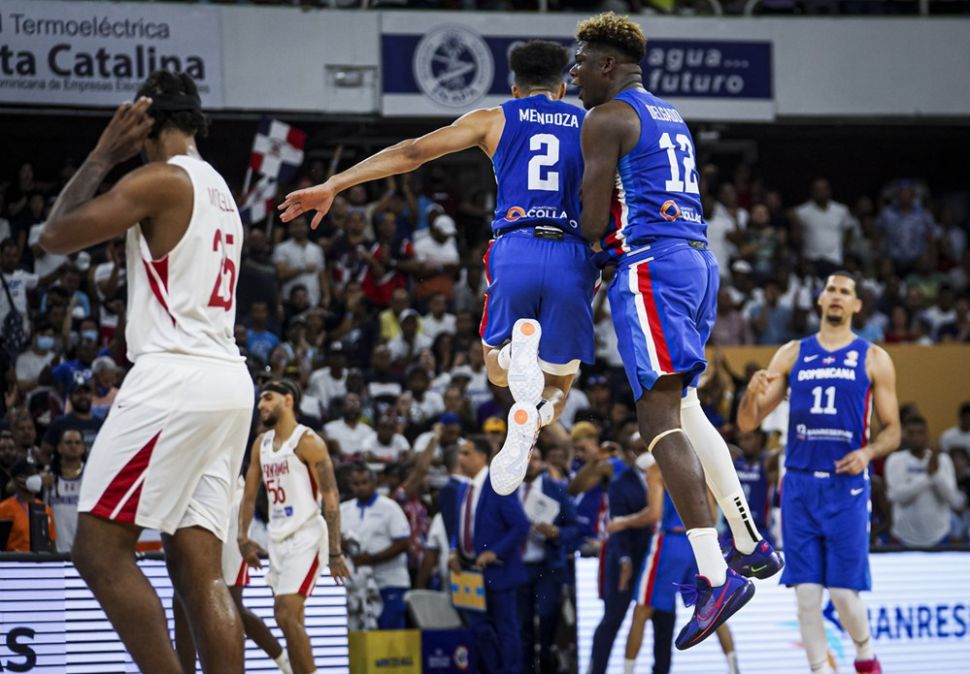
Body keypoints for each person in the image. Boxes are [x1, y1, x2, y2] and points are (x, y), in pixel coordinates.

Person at [279, 40, 599, 496]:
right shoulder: (590, 124)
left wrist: (335, 183)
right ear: (563, 88)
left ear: (515, 89)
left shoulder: (494, 118)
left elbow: (413, 152)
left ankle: (514, 357)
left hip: (517, 246)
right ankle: (536, 418)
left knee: (495, 371)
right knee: (562, 381)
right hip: (571, 252)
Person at [571, 12, 778, 648]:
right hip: (695, 262)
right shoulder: (669, 114)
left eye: (582, 62)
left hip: (654, 266)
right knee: (685, 407)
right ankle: (748, 541)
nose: (574, 73)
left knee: (656, 417)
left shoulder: (606, 118)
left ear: (609, 65)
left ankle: (715, 576)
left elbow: (592, 221)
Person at [39, 70, 254, 673]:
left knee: (98, 551)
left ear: (147, 123)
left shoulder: (162, 179)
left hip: (175, 379)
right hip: (228, 381)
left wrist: (103, 154)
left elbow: (55, 236)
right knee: (199, 569)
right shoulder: (220, 189)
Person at [738, 271, 902, 674]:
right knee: (807, 596)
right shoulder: (792, 353)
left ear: (856, 305)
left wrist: (868, 451)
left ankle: (865, 656)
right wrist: (749, 394)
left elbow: (893, 430)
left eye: (845, 292)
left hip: (846, 487)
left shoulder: (874, 357)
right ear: (820, 299)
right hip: (799, 484)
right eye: (831, 289)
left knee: (843, 594)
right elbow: (747, 423)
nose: (837, 296)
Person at [238, 380, 350, 674]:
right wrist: (242, 538)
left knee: (285, 614)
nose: (261, 405)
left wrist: (335, 551)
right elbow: (249, 496)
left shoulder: (308, 442)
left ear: (288, 400)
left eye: (268, 398)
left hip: (306, 536)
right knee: (292, 622)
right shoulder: (261, 444)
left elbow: (331, 498)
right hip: (277, 538)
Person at [613, 463, 739, 674]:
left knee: (641, 611)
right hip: (699, 545)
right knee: (713, 611)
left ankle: (627, 671)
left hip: (670, 543)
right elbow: (712, 517)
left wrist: (622, 522)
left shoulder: (657, 468)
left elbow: (653, 514)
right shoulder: (700, 466)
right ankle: (734, 668)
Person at [174, 474, 293, 674]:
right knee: (181, 600)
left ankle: (287, 664)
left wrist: (243, 535)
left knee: (231, 602)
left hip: (225, 500)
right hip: (190, 498)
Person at [449, 438, 530, 674]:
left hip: (499, 570)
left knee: (506, 630)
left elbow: (521, 525)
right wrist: (453, 550)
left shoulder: (499, 484)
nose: (460, 458)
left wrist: (495, 551)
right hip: (470, 572)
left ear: (482, 457)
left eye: (466, 453)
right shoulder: (463, 487)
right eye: (460, 453)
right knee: (479, 630)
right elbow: (459, 525)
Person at [517, 447, 582, 674]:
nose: (530, 464)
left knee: (547, 619)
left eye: (535, 459)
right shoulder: (507, 491)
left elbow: (574, 527)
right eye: (526, 459)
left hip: (548, 566)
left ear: (542, 462)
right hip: (518, 567)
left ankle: (546, 662)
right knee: (522, 624)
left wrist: (556, 532)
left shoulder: (556, 489)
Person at [340, 463, 412, 629]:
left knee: (389, 629)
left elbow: (403, 543)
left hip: (389, 580)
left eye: (364, 482)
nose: (360, 487)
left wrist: (372, 559)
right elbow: (335, 539)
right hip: (357, 584)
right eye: (356, 484)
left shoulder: (390, 507)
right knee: (359, 631)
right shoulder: (344, 509)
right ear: (350, 485)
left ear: (374, 483)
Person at [885, 415, 966, 548]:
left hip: (939, 536)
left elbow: (953, 499)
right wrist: (928, 476)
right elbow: (896, 496)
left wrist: (937, 475)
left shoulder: (943, 460)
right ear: (904, 435)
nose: (916, 437)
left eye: (920, 432)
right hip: (904, 537)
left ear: (927, 435)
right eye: (911, 433)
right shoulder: (895, 460)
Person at [44, 428, 85, 553]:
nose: (73, 446)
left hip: (85, 548)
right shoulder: (48, 476)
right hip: (57, 548)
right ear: (59, 447)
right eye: (68, 442)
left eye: (77, 442)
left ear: (83, 448)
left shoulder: (91, 476)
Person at [0, 458, 56, 552]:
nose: (35, 477)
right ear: (17, 479)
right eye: (29, 474)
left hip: (41, 560)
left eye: (35, 473)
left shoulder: (45, 509)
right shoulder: (4, 508)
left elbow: (52, 545)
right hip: (15, 560)